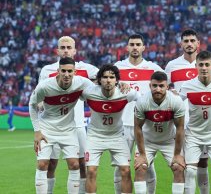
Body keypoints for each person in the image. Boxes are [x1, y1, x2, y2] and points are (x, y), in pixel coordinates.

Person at [38, 36, 99, 194]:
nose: (66, 50)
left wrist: (120, 84)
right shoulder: (47, 71)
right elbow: (39, 96)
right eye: (62, 47)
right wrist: (39, 104)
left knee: (80, 165)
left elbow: (106, 77)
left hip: (77, 125)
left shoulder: (86, 69)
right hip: (52, 126)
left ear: (74, 50)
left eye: (69, 47)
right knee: (50, 164)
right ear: (57, 50)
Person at [165, 29, 211, 193]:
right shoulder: (172, 65)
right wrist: (170, 92)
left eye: (192, 40)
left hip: (202, 122)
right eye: (186, 41)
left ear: (198, 43)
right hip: (180, 122)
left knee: (203, 163)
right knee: (183, 165)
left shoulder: (210, 66)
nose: (189, 44)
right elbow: (163, 88)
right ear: (181, 44)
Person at [114, 34, 163, 194]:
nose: (135, 47)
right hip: (122, 123)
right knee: (121, 166)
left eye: (138, 44)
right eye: (132, 44)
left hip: (146, 125)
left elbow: (165, 91)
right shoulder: (117, 68)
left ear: (143, 47)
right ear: (127, 47)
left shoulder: (154, 68)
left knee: (146, 165)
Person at [179, 50, 211, 194]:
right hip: (193, 134)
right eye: (200, 64)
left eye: (206, 64)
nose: (203, 68)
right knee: (190, 170)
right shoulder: (187, 86)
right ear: (195, 66)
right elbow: (176, 102)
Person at [82, 64, 138, 193]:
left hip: (117, 136)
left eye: (112, 77)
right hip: (94, 136)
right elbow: (72, 96)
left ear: (117, 80)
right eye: (105, 77)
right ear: (99, 80)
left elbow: (143, 100)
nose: (108, 80)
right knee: (90, 171)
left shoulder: (126, 93)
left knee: (126, 170)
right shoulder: (89, 92)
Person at [134, 71, 186, 194]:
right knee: (140, 168)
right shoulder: (142, 101)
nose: (158, 89)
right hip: (148, 141)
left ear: (167, 87)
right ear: (149, 86)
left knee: (178, 168)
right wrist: (142, 154)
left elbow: (180, 127)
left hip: (168, 141)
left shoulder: (176, 101)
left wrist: (177, 154)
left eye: (161, 86)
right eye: (155, 86)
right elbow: (137, 127)